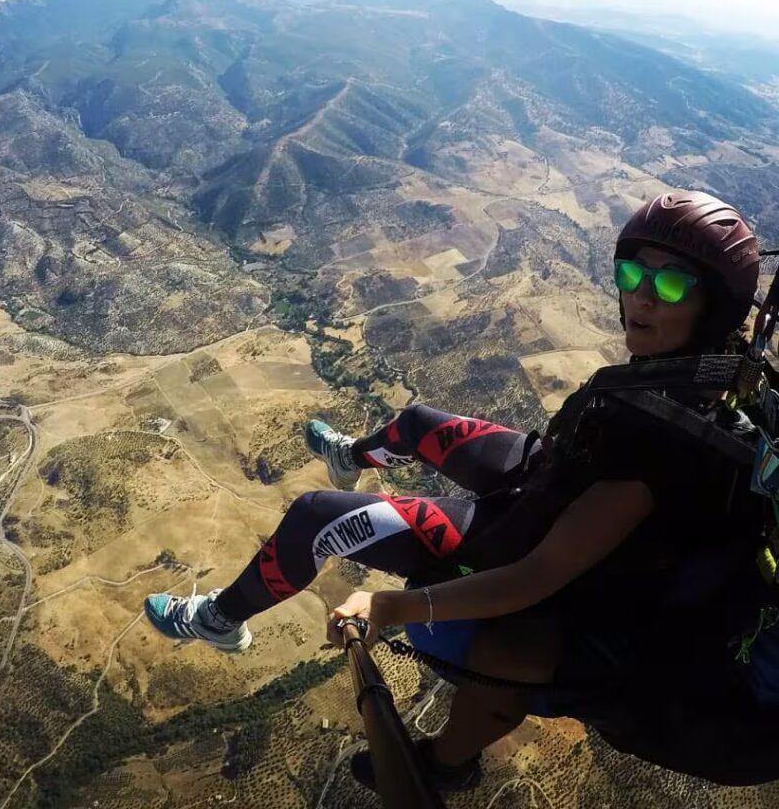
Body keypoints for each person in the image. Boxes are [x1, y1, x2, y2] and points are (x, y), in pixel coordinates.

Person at [144, 190, 767, 792]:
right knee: (415, 422)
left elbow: (539, 574)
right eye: (632, 272)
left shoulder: (664, 445)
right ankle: (349, 458)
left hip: (521, 537)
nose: (641, 296)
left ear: (711, 306)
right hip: (546, 479)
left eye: (671, 283)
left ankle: (220, 621)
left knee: (314, 517)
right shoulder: (699, 375)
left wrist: (393, 607)